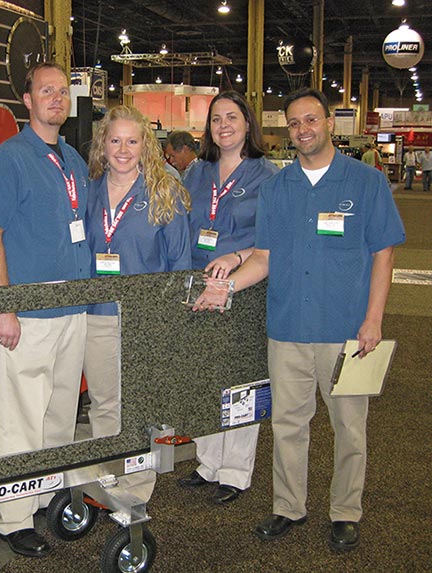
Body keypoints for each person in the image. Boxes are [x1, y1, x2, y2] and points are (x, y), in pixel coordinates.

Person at [193, 88, 405, 550]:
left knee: (350, 427)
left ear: (329, 122)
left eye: (311, 120)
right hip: (287, 328)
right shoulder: (277, 189)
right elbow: (264, 258)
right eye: (294, 123)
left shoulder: (365, 183)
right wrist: (225, 287)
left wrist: (373, 320)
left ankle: (346, 511)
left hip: (345, 329)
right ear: (286, 130)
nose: (303, 130)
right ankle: (288, 506)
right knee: (288, 425)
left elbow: (383, 253)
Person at [0, 62, 91, 558]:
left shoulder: (73, 159)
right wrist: (5, 307)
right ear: (27, 100)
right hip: (28, 314)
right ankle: (14, 518)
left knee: (60, 416)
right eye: (46, 91)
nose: (56, 99)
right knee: (19, 418)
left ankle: (43, 496)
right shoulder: (9, 159)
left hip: (74, 309)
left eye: (62, 92)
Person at [84, 105, 192, 501]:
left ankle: (138, 485)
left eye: (132, 140)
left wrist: (170, 322)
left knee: (143, 405)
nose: (123, 149)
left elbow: (180, 264)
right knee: (104, 403)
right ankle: (106, 473)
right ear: (103, 144)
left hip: (146, 320)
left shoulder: (165, 192)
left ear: (145, 144)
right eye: (115, 140)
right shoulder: (90, 190)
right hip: (97, 315)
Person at [178, 91, 279, 504]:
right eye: (216, 118)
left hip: (245, 286)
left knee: (239, 378)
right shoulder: (197, 172)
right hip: (199, 285)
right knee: (204, 375)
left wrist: (237, 258)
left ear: (247, 124)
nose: (224, 125)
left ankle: (235, 471)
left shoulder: (266, 175)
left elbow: (272, 240)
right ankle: (208, 462)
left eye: (232, 117)